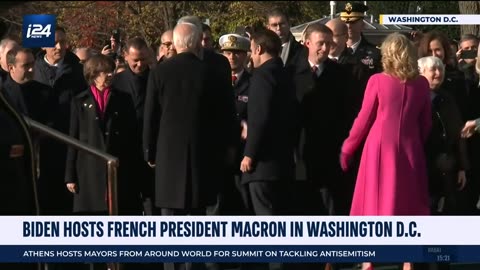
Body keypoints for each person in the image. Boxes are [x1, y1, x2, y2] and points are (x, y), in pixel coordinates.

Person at [340, 33, 431, 270]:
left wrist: (348, 148)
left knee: (372, 198)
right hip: (411, 147)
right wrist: (415, 142)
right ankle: (409, 259)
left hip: (379, 146)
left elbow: (363, 120)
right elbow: (426, 123)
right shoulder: (422, 84)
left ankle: (369, 258)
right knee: (410, 201)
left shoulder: (377, 81)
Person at [65, 54, 142, 215]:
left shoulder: (123, 99)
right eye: (105, 71)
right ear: (93, 74)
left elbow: (132, 135)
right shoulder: (79, 101)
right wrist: (70, 175)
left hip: (118, 166)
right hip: (89, 169)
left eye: (111, 71)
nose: (110, 75)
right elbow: (73, 138)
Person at [419, 56, 468, 217]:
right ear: (421, 72)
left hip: (446, 169)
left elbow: (458, 132)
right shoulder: (413, 98)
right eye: (433, 69)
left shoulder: (447, 99)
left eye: (441, 69)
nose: (438, 73)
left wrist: (462, 167)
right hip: (421, 168)